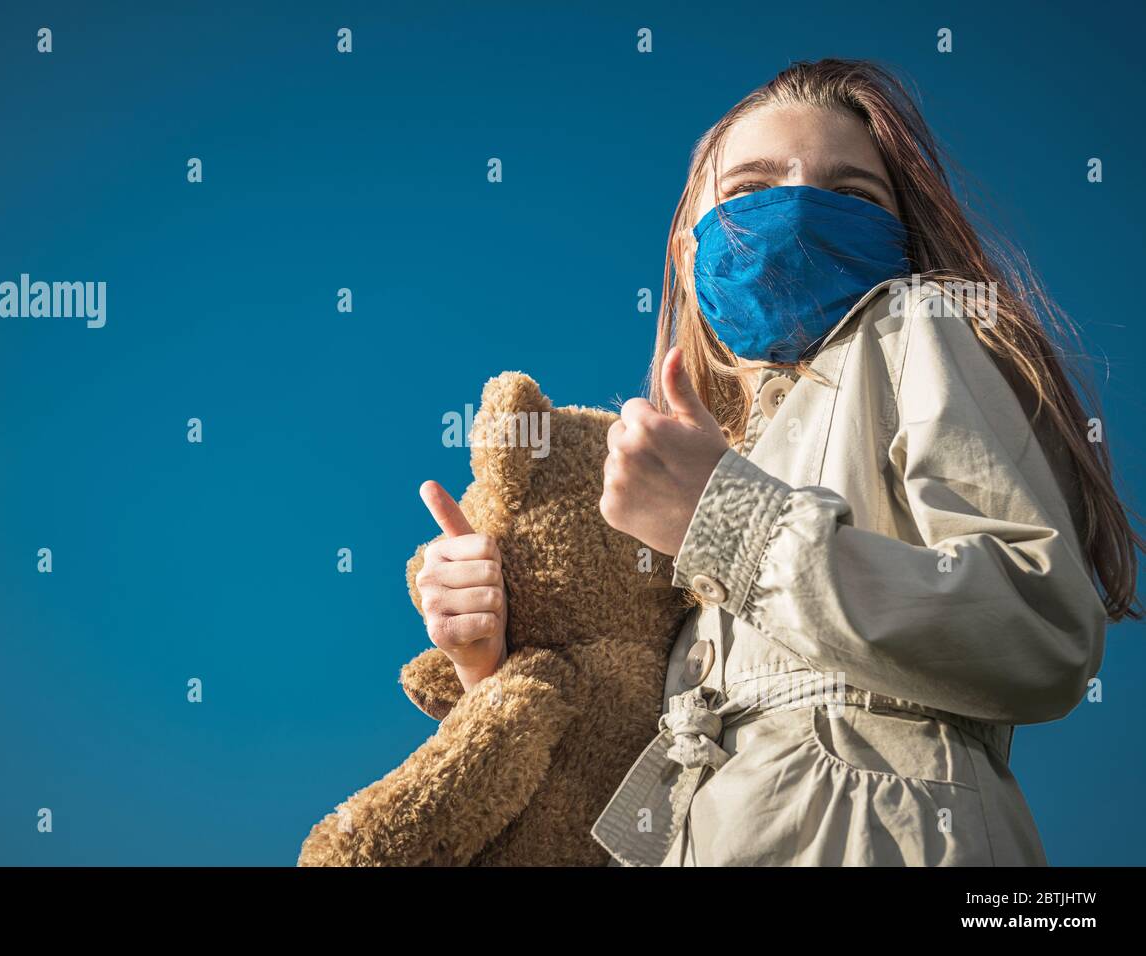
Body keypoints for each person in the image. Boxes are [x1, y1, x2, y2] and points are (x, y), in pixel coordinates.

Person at [414, 59, 1139, 866]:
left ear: (902, 242)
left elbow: (1039, 628)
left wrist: (724, 518)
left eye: (852, 197)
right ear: (688, 254)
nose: (799, 210)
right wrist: (489, 663)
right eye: (755, 187)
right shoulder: (701, 457)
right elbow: (609, 792)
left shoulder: (913, 327)